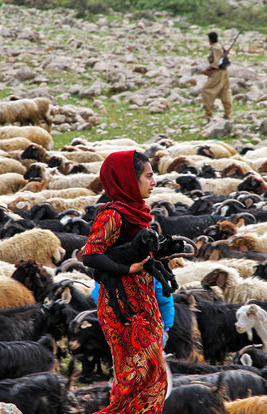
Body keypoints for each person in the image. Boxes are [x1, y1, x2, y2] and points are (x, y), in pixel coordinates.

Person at [81, 150, 173, 414]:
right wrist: (126, 268)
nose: (154, 181)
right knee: (140, 378)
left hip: (145, 303)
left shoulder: (138, 211)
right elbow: (91, 254)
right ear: (129, 180)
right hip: (122, 308)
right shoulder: (113, 215)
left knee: (150, 379)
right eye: (148, 176)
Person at [201, 31, 232, 121]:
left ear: (209, 40)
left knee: (206, 91)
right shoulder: (220, 47)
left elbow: (216, 63)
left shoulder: (215, 48)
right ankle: (228, 113)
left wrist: (207, 70)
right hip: (224, 73)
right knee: (224, 92)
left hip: (217, 73)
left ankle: (208, 113)